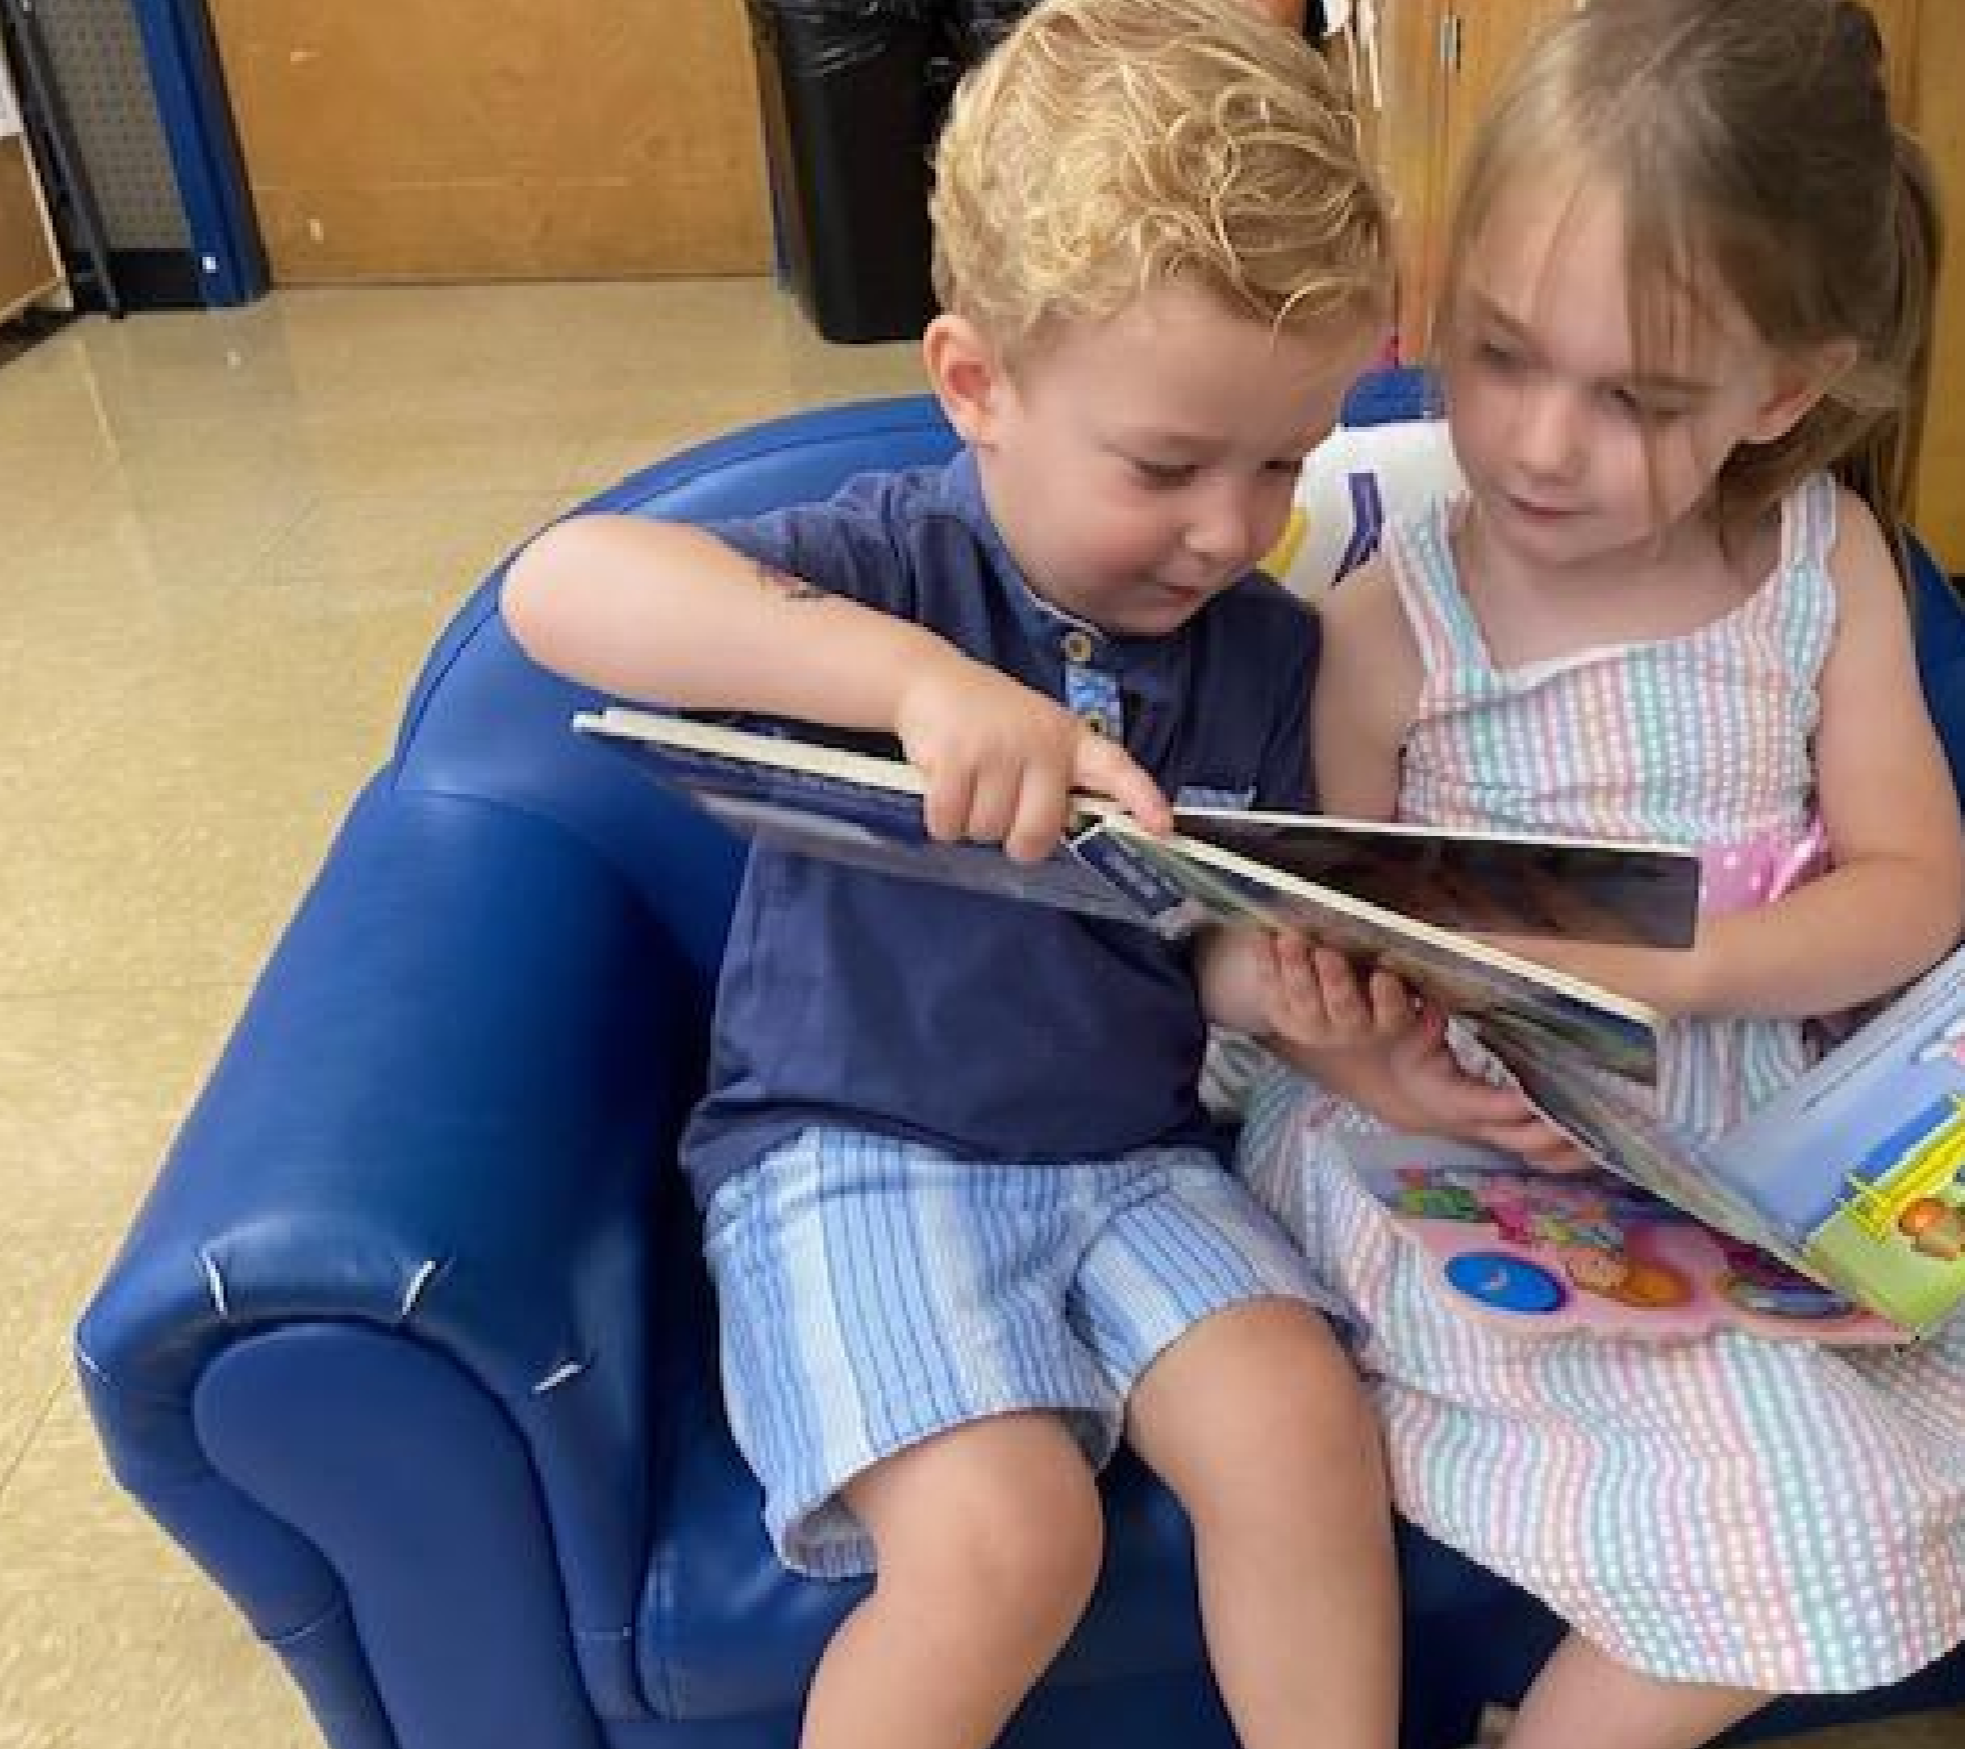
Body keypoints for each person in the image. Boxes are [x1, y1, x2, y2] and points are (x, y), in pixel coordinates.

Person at [1236, 5, 1965, 1748]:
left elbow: (1913, 890)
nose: (1535, 443)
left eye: (1637, 399)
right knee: (1782, 1483)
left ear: (1785, 387)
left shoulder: (1823, 564)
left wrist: (1677, 971)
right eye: (1500, 352)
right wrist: (1367, 1044)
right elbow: (1312, 946)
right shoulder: (1395, 624)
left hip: (1789, 1085)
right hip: (1472, 1131)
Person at [502, 4, 1400, 1747]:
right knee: (1003, 1540)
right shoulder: (888, 571)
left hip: (1134, 1158)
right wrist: (917, 688)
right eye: (1166, 466)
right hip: (855, 1149)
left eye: (1285, 461)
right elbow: (562, 591)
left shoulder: (1267, 650)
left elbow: (1195, 938)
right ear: (976, 385)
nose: (1232, 528)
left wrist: (1281, 989)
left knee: (1304, 1431)